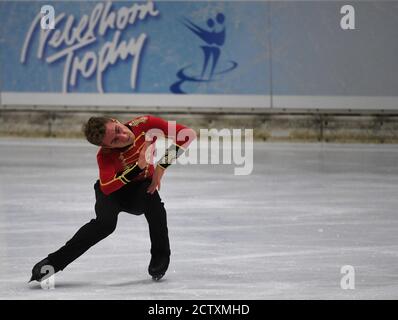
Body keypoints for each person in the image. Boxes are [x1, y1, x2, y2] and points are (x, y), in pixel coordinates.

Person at [29, 114, 196, 282]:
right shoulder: (104, 156)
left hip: (139, 190)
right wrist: (138, 168)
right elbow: (107, 187)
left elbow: (188, 134)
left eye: (118, 130)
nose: (124, 136)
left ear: (116, 121)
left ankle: (160, 257)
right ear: (106, 146)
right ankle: (53, 262)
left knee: (155, 207)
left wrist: (161, 167)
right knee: (105, 225)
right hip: (112, 194)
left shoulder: (145, 124)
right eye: (115, 140)